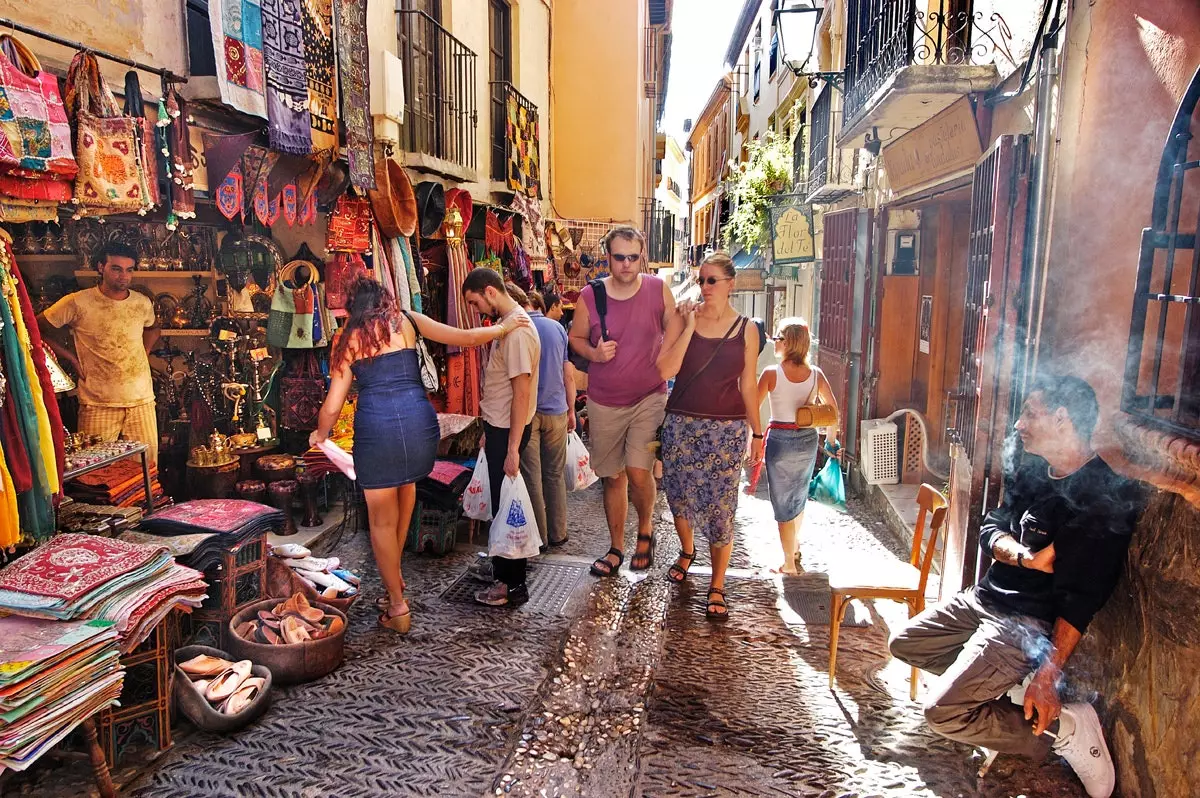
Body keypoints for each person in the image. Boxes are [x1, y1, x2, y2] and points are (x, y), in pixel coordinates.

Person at [888, 375, 1144, 798]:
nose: (1019, 425)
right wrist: (1021, 555)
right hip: (983, 599)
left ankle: (1063, 730)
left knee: (942, 712)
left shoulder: (1100, 497)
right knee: (906, 645)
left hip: (1022, 624)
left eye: (1030, 413)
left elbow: (1082, 600)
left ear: (1063, 419)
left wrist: (1048, 674)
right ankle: (1005, 689)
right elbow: (992, 524)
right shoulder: (1032, 469)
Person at [309, 277, 526, 633]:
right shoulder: (408, 320)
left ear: (354, 309)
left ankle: (397, 606)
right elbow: (464, 337)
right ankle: (394, 581)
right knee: (406, 489)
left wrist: (320, 434)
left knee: (380, 519)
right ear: (384, 301)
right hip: (418, 425)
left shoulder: (349, 341)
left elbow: (333, 406)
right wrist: (503, 327)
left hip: (378, 430)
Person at [570, 225, 687, 577]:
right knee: (613, 477)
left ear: (642, 258)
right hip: (604, 401)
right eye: (619, 257)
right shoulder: (590, 297)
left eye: (632, 257)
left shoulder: (657, 290)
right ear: (608, 258)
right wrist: (594, 352)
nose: (625, 264)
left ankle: (646, 526)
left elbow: (676, 327)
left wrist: (689, 313)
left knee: (639, 470)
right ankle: (616, 547)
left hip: (649, 397)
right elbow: (574, 338)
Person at [655, 251, 763, 620]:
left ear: (731, 284)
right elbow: (665, 369)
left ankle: (717, 584)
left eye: (712, 280)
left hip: (727, 430)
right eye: (701, 280)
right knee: (679, 497)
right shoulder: (684, 318)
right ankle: (687, 550)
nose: (704, 287)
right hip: (682, 424)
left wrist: (758, 432)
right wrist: (687, 327)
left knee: (721, 508)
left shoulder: (747, 328)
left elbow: (748, 384)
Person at [39, 242, 161, 464]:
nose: (123, 276)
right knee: (95, 474)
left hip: (141, 399)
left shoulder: (142, 303)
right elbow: (37, 328)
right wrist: (71, 360)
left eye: (129, 269)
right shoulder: (78, 301)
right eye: (116, 268)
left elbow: (153, 328)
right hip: (98, 402)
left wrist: (145, 350)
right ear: (100, 267)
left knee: (146, 470)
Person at [462, 268, 541, 607]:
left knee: (508, 507)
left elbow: (520, 393)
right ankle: (502, 574)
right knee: (501, 504)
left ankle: (512, 585)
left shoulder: (517, 332)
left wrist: (511, 448)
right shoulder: (509, 326)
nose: (477, 309)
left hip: (510, 431)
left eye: (475, 301)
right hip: (500, 429)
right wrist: (489, 431)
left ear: (490, 292)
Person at [754, 317, 839, 574]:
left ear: (788, 343)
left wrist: (753, 441)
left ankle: (789, 562)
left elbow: (752, 410)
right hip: (807, 441)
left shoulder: (771, 374)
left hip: (779, 441)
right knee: (799, 495)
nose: (774, 342)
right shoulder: (816, 375)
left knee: (782, 501)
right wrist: (832, 443)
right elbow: (833, 411)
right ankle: (794, 547)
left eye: (778, 338)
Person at [520, 289, 576, 548]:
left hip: (529, 413)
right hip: (557, 411)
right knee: (553, 475)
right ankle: (559, 533)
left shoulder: (517, 327)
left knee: (532, 476)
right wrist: (572, 409)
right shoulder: (557, 329)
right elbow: (569, 375)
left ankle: (539, 538)